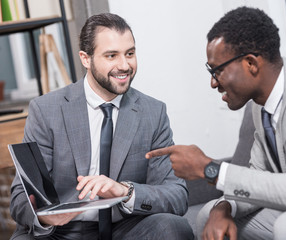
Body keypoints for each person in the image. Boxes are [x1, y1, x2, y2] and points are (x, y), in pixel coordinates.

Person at [146, 6, 286, 240]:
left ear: (250, 63)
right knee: (210, 214)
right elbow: (258, 176)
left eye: (217, 70)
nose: (213, 83)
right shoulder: (261, 106)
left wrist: (209, 168)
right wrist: (224, 208)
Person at [10, 13, 194, 240]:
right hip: (62, 232)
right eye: (111, 56)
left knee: (173, 228)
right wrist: (45, 217)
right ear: (85, 59)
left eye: (130, 53)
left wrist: (125, 191)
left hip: (126, 228)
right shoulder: (46, 110)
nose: (124, 65)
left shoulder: (152, 112)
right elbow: (20, 197)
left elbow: (177, 194)